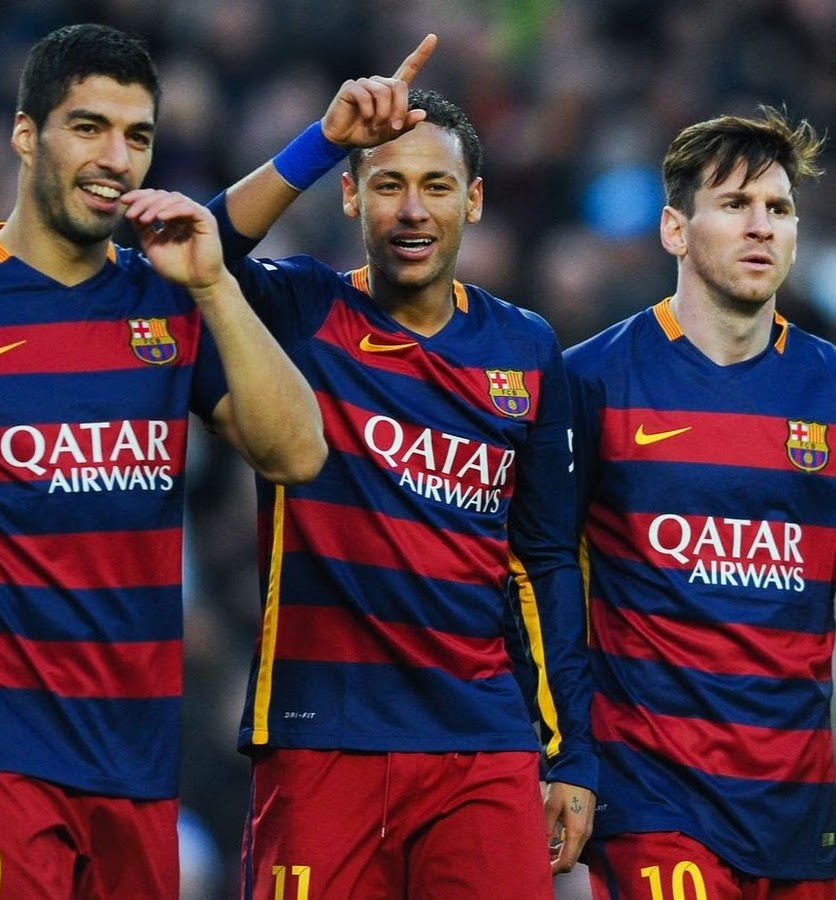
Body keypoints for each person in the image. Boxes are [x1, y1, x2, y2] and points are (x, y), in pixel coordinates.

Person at [0, 22, 326, 900]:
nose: (116, 158)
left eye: (137, 136)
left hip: (136, 755)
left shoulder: (166, 300)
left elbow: (298, 453)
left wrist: (214, 286)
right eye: (89, 127)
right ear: (26, 134)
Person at [206, 35, 597, 899]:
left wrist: (571, 753)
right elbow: (193, 255)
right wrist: (321, 140)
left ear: (475, 200)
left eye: (437, 186)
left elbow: (543, 563)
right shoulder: (302, 308)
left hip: (481, 742)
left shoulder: (526, 347)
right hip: (321, 732)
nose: (412, 210)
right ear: (350, 195)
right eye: (387, 185)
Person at [564, 106, 836, 899]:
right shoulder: (592, 381)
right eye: (735, 204)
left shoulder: (828, 387)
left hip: (799, 800)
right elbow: (540, 573)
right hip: (655, 795)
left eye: (778, 208)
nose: (761, 226)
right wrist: (564, 757)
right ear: (674, 230)